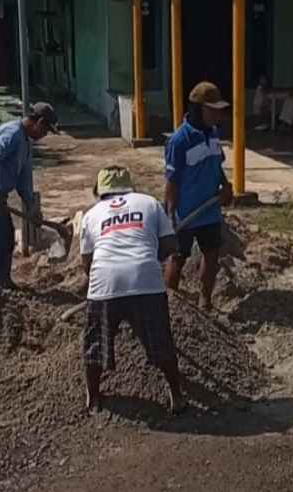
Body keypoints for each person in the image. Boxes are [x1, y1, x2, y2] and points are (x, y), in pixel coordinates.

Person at [79, 166, 185, 414]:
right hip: (146, 281)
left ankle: (93, 397)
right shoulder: (149, 203)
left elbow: (87, 264)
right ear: (130, 185)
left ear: (99, 190)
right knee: (160, 340)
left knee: (96, 343)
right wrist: (147, 259)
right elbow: (171, 244)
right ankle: (177, 395)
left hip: (104, 284)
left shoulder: (91, 214)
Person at [0, 102, 59, 287]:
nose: (44, 135)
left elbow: (23, 176)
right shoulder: (13, 134)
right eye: (45, 130)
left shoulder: (25, 142)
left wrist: (32, 206)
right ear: (39, 122)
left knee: (7, 237)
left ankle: (3, 281)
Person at [164, 81, 234, 311]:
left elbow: (216, 164)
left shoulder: (212, 134)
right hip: (186, 212)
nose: (217, 115)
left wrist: (225, 185)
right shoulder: (179, 141)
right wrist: (170, 217)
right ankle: (170, 305)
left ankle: (205, 301)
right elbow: (171, 182)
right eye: (212, 110)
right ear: (197, 109)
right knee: (178, 257)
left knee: (211, 255)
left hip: (209, 210)